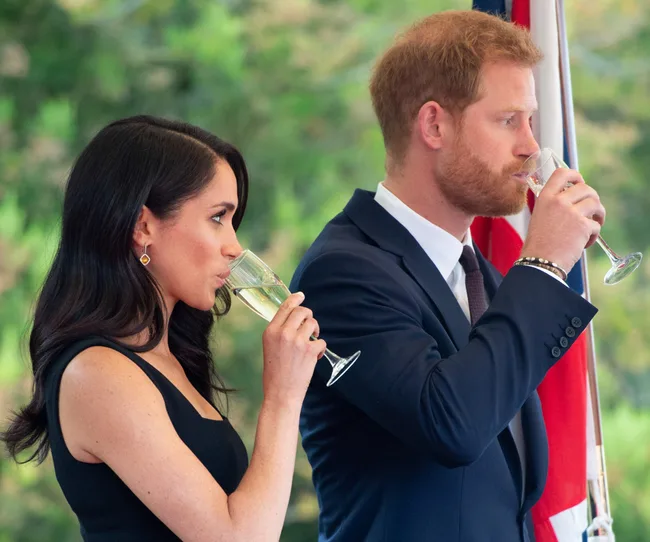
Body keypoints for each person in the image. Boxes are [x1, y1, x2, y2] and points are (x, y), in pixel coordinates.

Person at [290, 10, 605, 542]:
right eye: (509, 120)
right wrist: (546, 262)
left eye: (530, 120)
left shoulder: (484, 277)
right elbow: (451, 425)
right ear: (434, 124)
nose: (531, 145)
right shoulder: (342, 273)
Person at [1, 115, 326, 541]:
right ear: (143, 227)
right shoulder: (97, 373)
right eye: (217, 217)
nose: (234, 246)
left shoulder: (163, 359)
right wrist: (282, 398)